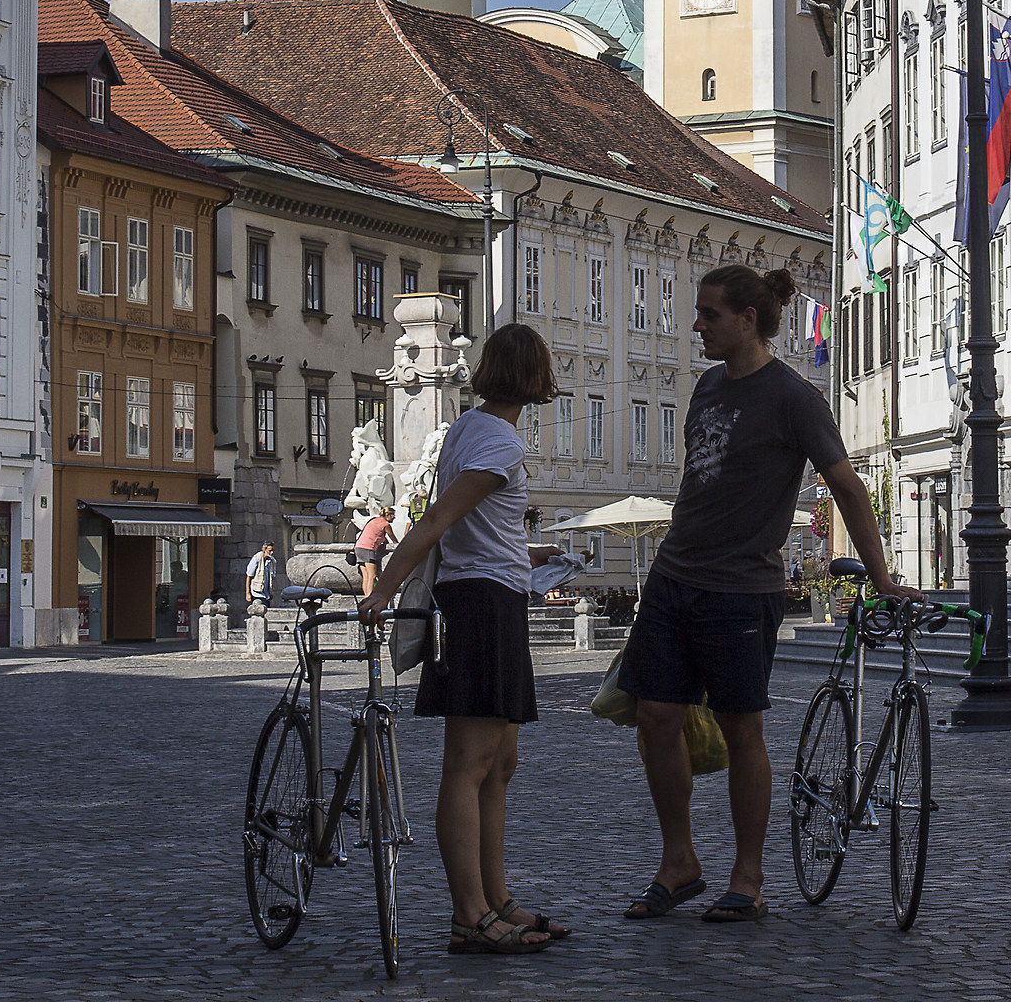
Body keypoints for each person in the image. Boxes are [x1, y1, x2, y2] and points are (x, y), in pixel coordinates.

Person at [619, 264, 912, 925]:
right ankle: (679, 862)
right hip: (674, 578)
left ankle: (748, 879)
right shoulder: (707, 387)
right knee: (655, 718)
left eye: (709, 314)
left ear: (747, 320)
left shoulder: (795, 398)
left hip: (740, 590)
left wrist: (883, 575)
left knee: (743, 730)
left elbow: (848, 488)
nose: (696, 324)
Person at [361, 323, 565, 956]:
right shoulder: (496, 441)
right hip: (478, 606)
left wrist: (527, 551)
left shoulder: (471, 431)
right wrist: (384, 589)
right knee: (470, 766)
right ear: (533, 377)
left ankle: (496, 899)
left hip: (495, 596)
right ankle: (469, 915)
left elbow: (468, 527)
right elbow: (435, 523)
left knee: (498, 765)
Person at [353, 507, 394, 597]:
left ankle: (366, 596)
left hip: (359, 547)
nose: (394, 518)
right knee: (372, 576)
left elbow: (378, 534)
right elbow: (393, 538)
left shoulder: (374, 520)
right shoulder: (385, 524)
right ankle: (369, 598)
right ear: (387, 515)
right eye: (393, 515)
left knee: (366, 577)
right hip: (368, 549)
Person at [246, 541, 279, 610]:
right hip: (256, 592)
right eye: (270, 551)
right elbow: (249, 576)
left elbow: (271, 577)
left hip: (266, 593)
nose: (272, 553)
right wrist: (247, 593)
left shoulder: (272, 561)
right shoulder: (257, 558)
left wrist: (271, 592)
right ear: (264, 550)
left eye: (272, 550)